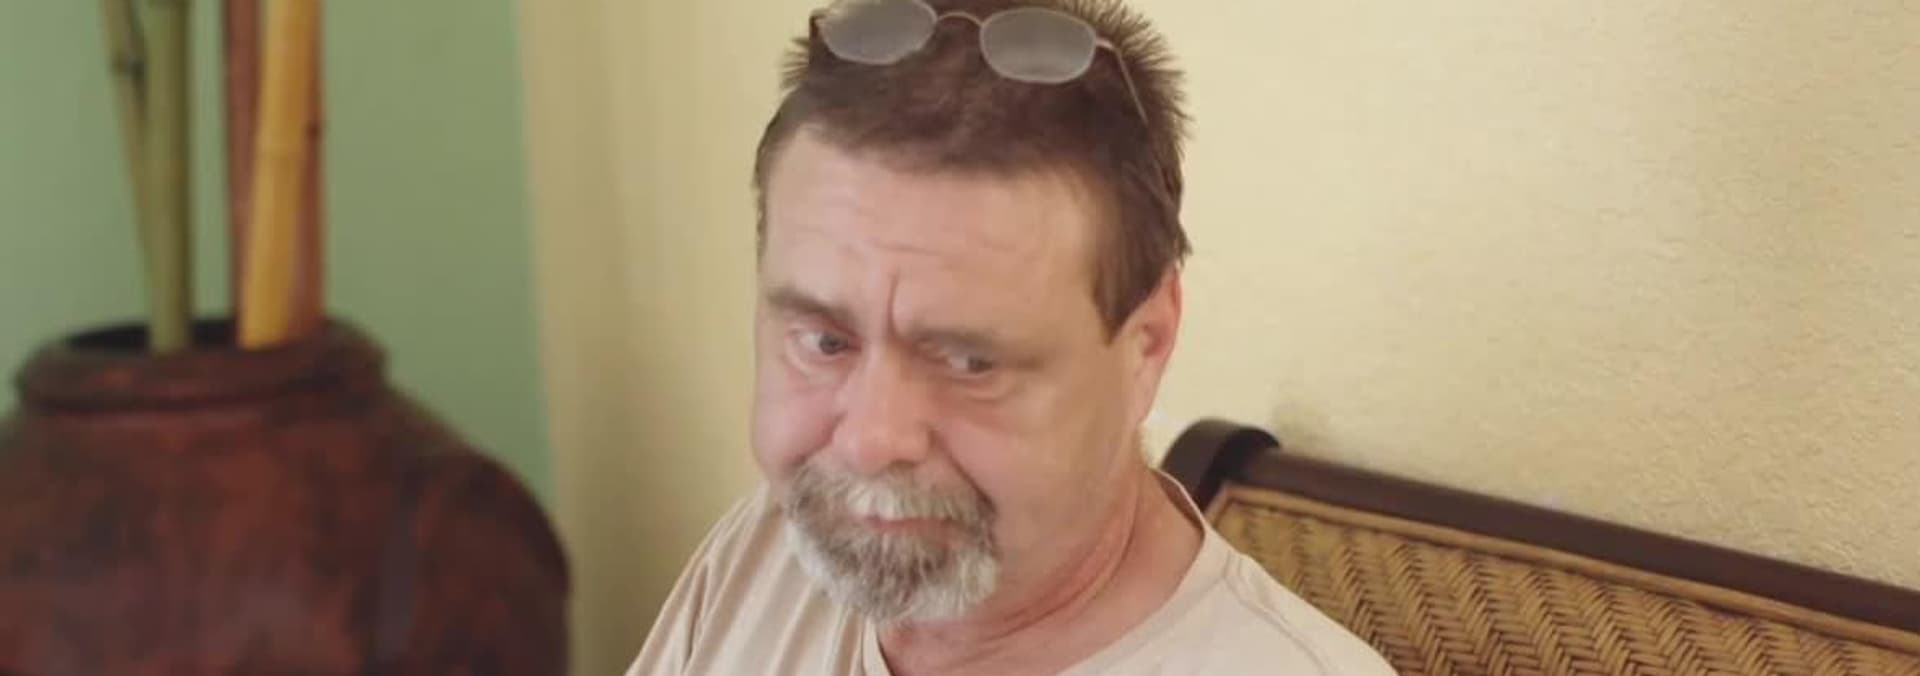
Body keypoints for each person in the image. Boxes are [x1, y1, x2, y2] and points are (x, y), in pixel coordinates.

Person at [629, 0, 1396, 673]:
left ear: (1147, 346)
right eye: (826, 343)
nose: (868, 443)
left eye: (970, 361)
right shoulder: (773, 550)